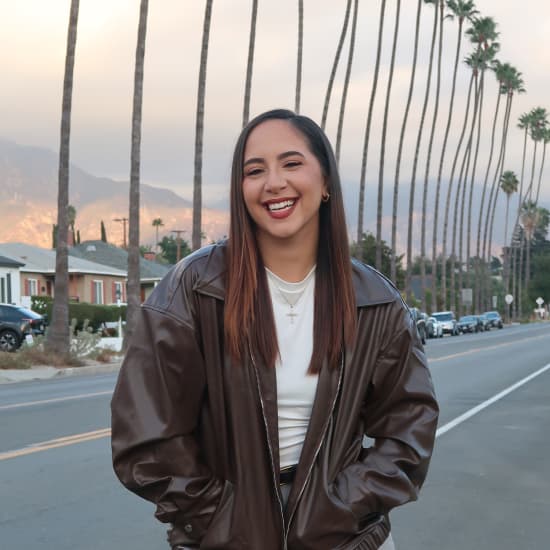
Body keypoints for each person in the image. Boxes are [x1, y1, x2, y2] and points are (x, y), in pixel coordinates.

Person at [111, 109, 438, 549]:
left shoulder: (374, 301)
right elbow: (145, 435)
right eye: (255, 171)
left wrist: (345, 504)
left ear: (325, 182)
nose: (274, 183)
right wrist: (218, 517)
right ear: (240, 190)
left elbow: (409, 426)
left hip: (346, 539)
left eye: (291, 163)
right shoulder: (194, 289)